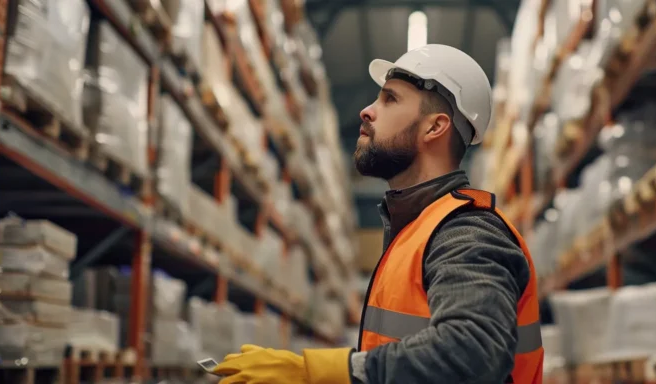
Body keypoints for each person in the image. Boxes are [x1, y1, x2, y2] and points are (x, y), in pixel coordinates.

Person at [212, 44, 544, 384]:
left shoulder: (466, 232)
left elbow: (472, 353)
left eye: (390, 100)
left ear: (435, 128)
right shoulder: (416, 231)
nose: (366, 111)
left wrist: (319, 372)